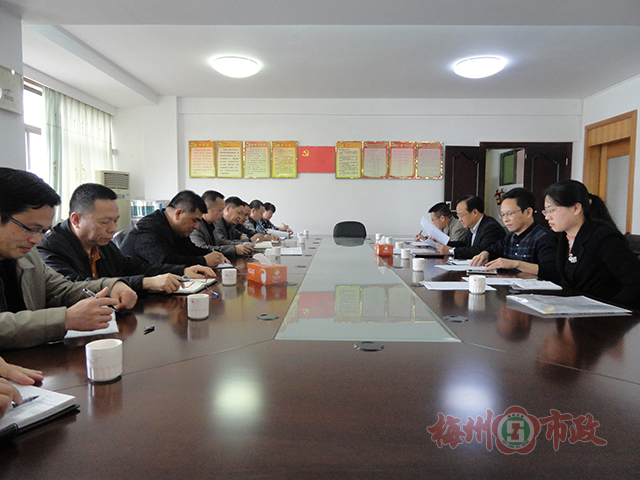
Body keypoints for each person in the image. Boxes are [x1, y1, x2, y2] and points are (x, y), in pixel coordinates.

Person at [0, 168, 137, 350]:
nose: (37, 240)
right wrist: (64, 319)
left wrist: (112, 286)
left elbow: (62, 290)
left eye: (43, 231)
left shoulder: (28, 256)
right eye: (31, 229)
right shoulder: (45, 247)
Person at [37, 184, 215, 295]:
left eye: (115, 221)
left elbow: (132, 266)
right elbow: (74, 287)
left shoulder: (101, 243)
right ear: (76, 220)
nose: (112, 229)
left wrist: (182, 270)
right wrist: (145, 282)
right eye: (105, 222)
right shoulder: (49, 248)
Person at [543, 179, 640, 310]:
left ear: (576, 208)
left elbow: (635, 283)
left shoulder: (604, 238)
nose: (547, 217)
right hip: (575, 310)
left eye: (552, 210)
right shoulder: (564, 238)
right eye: (546, 211)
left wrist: (608, 309)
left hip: (604, 314)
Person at [469, 188, 560, 281]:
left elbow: (551, 271)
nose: (505, 219)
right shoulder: (510, 237)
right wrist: (485, 254)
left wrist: (515, 264)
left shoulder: (544, 237)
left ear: (528, 212)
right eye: (503, 215)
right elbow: (493, 249)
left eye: (510, 213)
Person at [120, 190, 227, 268]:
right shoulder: (149, 228)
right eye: (194, 220)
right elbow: (164, 262)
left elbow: (190, 250)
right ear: (178, 214)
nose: (196, 226)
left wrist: (212, 253)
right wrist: (203, 261)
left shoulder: (178, 229)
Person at [435, 195, 506, 259]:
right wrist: (443, 243)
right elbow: (465, 245)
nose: (459, 219)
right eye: (458, 216)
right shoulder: (472, 226)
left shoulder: (491, 227)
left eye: (461, 215)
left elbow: (481, 250)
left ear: (474, 212)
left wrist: (451, 251)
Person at [189, 190, 238, 259]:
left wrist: (240, 246)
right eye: (220, 210)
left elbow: (219, 243)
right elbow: (202, 248)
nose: (222, 214)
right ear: (207, 209)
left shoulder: (212, 224)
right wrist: (234, 249)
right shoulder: (196, 226)